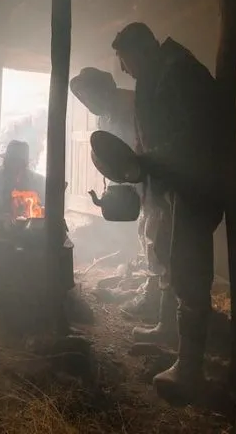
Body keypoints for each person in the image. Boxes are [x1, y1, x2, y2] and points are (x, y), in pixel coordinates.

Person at [112, 22, 236, 400]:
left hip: (200, 181)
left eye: (125, 60)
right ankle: (166, 327)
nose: (124, 70)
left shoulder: (181, 72)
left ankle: (191, 367)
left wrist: (146, 160)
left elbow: (194, 135)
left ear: (142, 50)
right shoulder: (157, 73)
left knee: (190, 268)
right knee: (167, 256)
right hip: (176, 181)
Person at [69, 68, 168, 322]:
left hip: (154, 177)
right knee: (145, 231)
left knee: (155, 232)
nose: (87, 103)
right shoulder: (104, 116)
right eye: (83, 99)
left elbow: (151, 143)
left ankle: (157, 300)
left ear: (104, 89)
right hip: (133, 179)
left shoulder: (135, 104)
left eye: (89, 96)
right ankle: (152, 289)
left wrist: (141, 169)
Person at [0, 140, 47, 229]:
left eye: (19, 164)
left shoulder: (39, 182)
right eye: (12, 162)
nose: (15, 168)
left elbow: (48, 212)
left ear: (25, 165)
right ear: (6, 162)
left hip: (31, 236)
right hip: (0, 234)